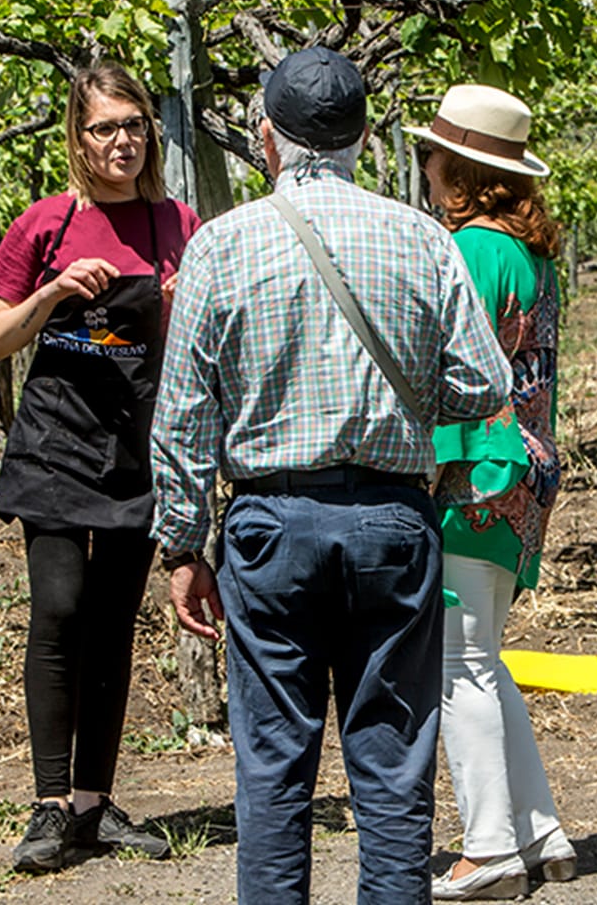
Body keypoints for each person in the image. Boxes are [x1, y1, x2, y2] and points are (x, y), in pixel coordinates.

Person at [150, 46, 511, 905]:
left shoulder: (221, 246)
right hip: (393, 522)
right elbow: (483, 382)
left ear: (264, 137)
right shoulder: (420, 236)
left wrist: (180, 545)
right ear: (358, 138)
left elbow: (183, 418)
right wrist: (407, 395)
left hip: (270, 527)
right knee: (392, 765)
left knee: (273, 767)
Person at [0, 62, 199, 873]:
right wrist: (53, 294)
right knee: (61, 610)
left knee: (113, 626)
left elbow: (191, 349)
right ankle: (46, 803)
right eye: (105, 127)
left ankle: (93, 804)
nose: (122, 141)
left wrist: (178, 304)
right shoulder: (46, 223)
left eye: (135, 124)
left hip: (137, 452)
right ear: (78, 138)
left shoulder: (178, 223)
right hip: (54, 446)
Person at [404, 85, 574, 901]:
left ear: (464, 170)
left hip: (475, 470)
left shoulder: (471, 248)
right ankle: (538, 827)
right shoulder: (530, 252)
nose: (426, 167)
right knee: (482, 658)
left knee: (458, 667)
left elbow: (449, 366)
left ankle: (489, 846)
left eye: (434, 155)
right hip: (523, 471)